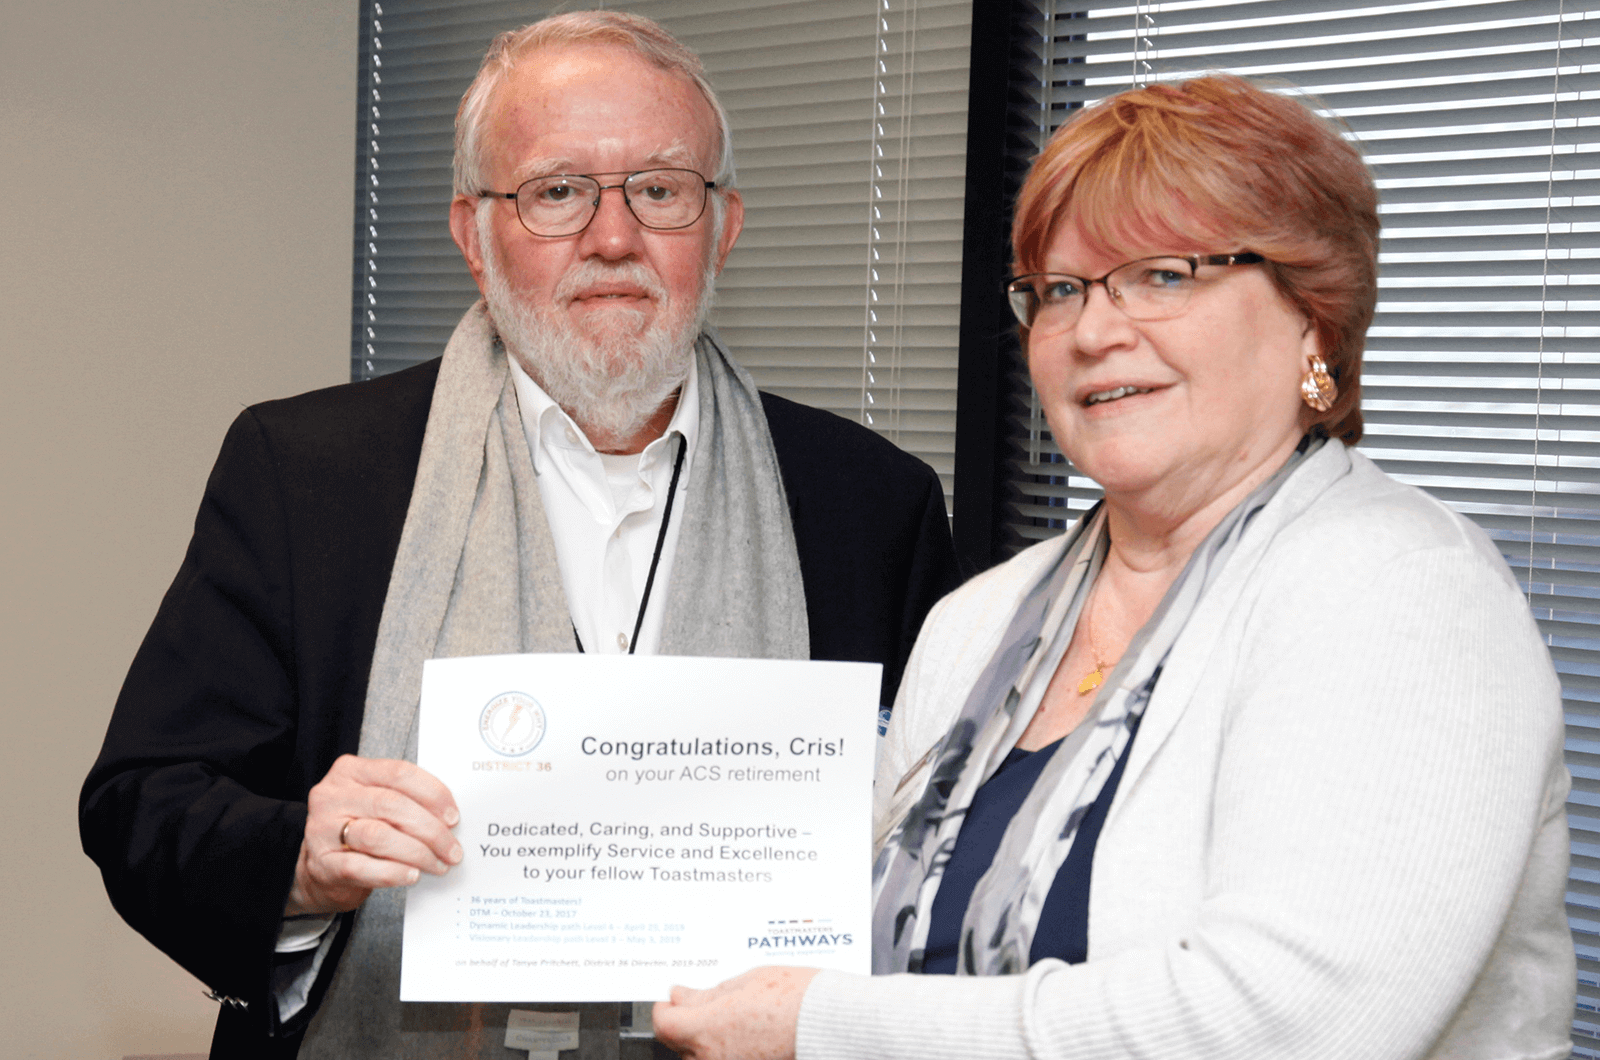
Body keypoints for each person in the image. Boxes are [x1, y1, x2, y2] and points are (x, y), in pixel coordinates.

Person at [79, 12, 957, 1060]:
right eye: (555, 192)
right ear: (473, 234)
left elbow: (938, 856)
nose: (614, 237)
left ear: (721, 227)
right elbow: (143, 807)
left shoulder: (871, 505)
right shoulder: (305, 472)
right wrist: (301, 861)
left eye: (661, 190)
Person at [653, 74, 1575, 1059]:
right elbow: (837, 930)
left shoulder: (1401, 592)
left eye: (1163, 275)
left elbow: (1291, 1025)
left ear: (1314, 318)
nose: (1093, 331)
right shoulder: (978, 619)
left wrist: (824, 1026)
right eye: (1059, 290)